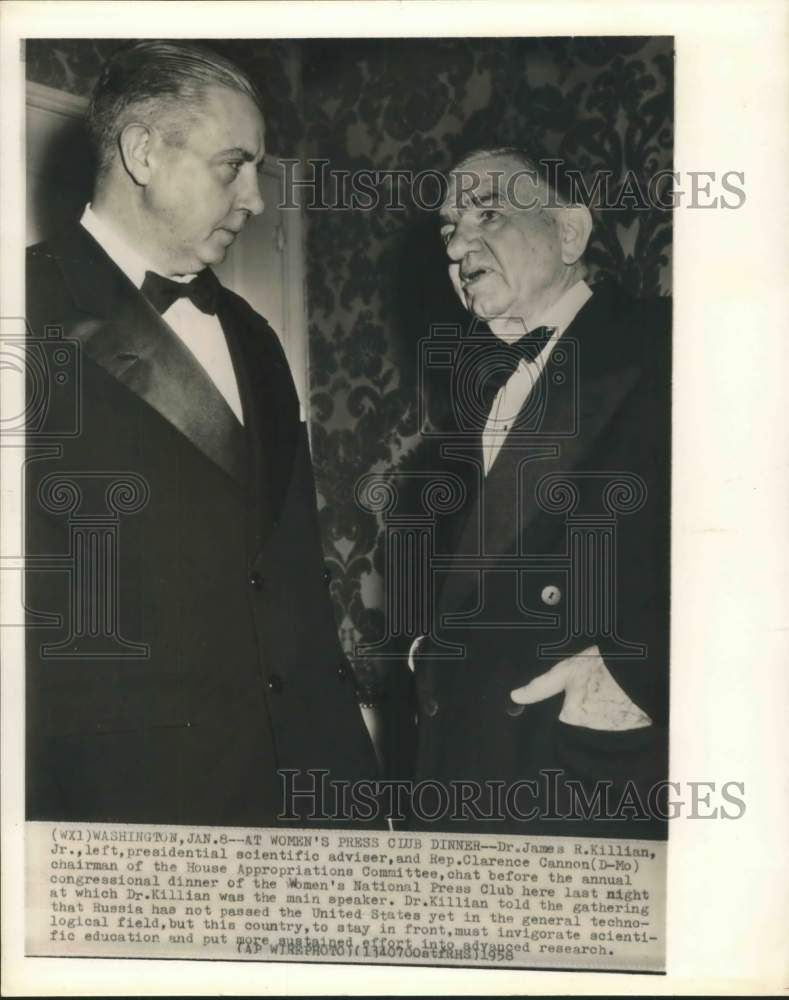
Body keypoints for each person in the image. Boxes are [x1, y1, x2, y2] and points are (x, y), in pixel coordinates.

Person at [25, 40, 379, 826]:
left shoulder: (252, 333)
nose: (255, 199)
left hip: (296, 789)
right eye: (233, 166)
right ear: (144, 152)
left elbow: (289, 573)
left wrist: (351, 784)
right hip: (118, 803)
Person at [409, 147, 670, 836]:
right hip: (467, 780)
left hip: (585, 779)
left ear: (567, 233)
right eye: (447, 229)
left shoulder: (670, 345)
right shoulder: (478, 398)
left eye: (487, 214)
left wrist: (629, 683)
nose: (460, 246)